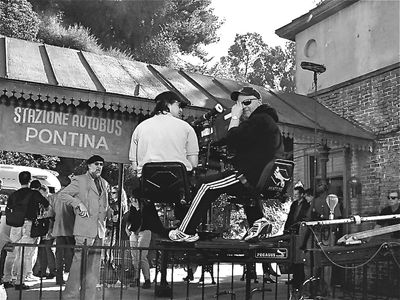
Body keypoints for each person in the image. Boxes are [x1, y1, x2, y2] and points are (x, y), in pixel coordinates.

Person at [169, 86, 283, 242]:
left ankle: (186, 231)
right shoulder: (267, 122)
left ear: (259, 102)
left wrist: (235, 117)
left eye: (247, 102)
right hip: (258, 176)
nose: (244, 107)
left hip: (248, 175)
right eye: (240, 104)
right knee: (244, 193)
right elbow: (243, 144)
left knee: (205, 185)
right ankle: (258, 220)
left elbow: (233, 138)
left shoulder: (259, 119)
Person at [128, 91, 199, 236]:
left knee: (138, 192)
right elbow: (193, 164)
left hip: (150, 188)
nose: (181, 110)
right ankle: (186, 228)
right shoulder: (187, 128)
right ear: (167, 104)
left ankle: (156, 230)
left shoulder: (140, 128)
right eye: (179, 106)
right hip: (178, 188)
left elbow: (135, 166)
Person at [59, 155, 111, 300]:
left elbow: (104, 205)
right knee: (77, 268)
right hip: (84, 231)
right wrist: (78, 203)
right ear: (88, 166)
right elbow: (63, 195)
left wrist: (110, 212)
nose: (99, 166)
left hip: (100, 232)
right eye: (96, 164)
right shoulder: (80, 180)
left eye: (101, 164)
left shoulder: (105, 183)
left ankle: (89, 297)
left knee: (93, 270)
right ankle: (69, 297)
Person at [2, 172, 49, 290]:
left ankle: (7, 279)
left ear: (19, 181)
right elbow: (46, 204)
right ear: (29, 181)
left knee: (11, 252)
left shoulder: (14, 194)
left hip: (15, 225)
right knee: (24, 253)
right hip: (28, 224)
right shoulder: (34, 193)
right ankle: (19, 281)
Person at [283, 186, 311, 291]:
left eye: (296, 194)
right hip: (292, 230)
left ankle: (300, 278)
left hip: (301, 231)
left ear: (302, 194)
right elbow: (290, 216)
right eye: (294, 194)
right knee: (293, 255)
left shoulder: (306, 204)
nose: (295, 196)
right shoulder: (294, 204)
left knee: (299, 255)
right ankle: (295, 277)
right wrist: (286, 229)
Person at [52, 176, 75, 285]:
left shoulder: (55, 197)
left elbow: (51, 213)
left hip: (58, 229)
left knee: (59, 255)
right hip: (70, 229)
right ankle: (71, 278)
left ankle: (59, 278)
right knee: (71, 255)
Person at [127, 197, 152, 289]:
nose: (132, 200)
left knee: (142, 256)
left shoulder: (146, 207)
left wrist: (137, 207)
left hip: (144, 231)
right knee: (134, 257)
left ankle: (147, 280)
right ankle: (136, 278)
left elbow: (145, 219)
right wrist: (127, 227)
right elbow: (130, 218)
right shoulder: (132, 207)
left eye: (133, 198)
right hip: (134, 232)